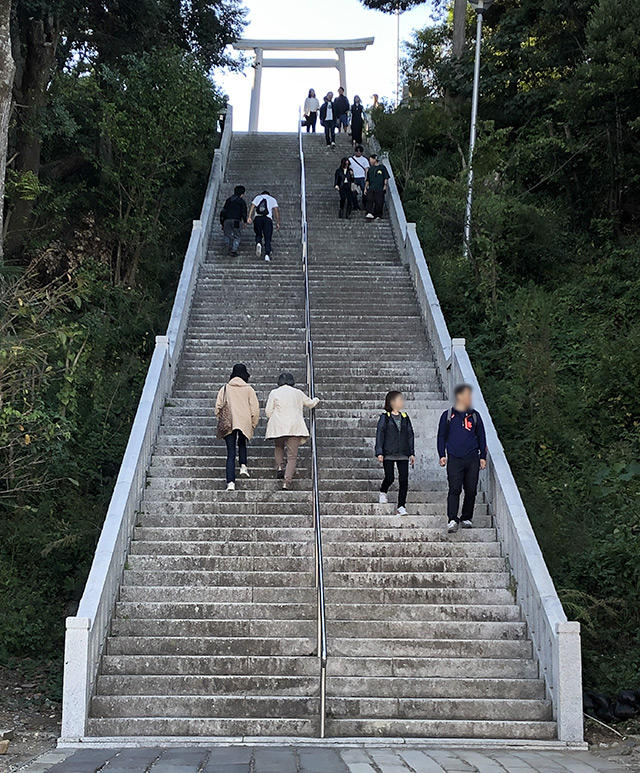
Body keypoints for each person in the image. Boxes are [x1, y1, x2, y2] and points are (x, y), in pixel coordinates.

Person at [437, 383, 487, 534]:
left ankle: (466, 517)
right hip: (454, 458)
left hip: (472, 458)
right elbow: (441, 436)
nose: (469, 398)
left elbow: (482, 437)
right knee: (454, 488)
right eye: (467, 395)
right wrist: (442, 454)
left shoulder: (475, 416)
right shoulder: (448, 415)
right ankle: (452, 518)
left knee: (471, 489)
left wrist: (482, 457)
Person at [265, 372, 320, 490]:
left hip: (278, 425)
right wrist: (316, 399)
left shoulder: (274, 392)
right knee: (292, 456)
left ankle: (279, 467)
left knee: (278, 447)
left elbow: (268, 412)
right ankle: (286, 481)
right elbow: (310, 403)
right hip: (294, 427)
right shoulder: (298, 393)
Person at [215, 363, 260, 491]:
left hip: (229, 422)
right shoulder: (249, 389)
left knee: (230, 453)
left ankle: (230, 483)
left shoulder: (225, 388)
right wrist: (253, 423)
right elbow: (255, 409)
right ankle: (243, 466)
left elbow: (218, 406)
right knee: (242, 442)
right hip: (244, 421)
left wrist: (221, 419)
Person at [375, 391, 415, 516]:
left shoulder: (404, 416)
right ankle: (383, 491)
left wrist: (411, 453)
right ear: (392, 402)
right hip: (389, 452)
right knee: (390, 477)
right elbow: (380, 434)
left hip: (403, 453)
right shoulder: (385, 417)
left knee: (404, 480)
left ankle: (401, 506)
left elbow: (410, 435)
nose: (401, 402)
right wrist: (379, 452)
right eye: (399, 399)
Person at [247, 190, 280, 262]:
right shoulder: (272, 199)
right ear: (268, 194)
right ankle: (267, 254)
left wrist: (249, 217)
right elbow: (276, 211)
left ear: (262, 194)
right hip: (267, 219)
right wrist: (277, 222)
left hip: (258, 218)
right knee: (267, 237)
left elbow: (252, 207)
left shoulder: (258, 197)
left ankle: (258, 242)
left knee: (258, 233)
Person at [219, 185, 247, 257]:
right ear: (242, 194)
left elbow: (223, 211)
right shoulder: (241, 201)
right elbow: (244, 212)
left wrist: (222, 222)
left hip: (227, 220)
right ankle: (233, 250)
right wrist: (245, 221)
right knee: (237, 235)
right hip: (236, 221)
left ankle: (227, 246)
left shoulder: (228, 200)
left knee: (227, 234)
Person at [364, 154, 390, 220]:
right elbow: (368, 180)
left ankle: (378, 215)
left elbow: (385, 177)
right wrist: (365, 188)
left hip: (379, 188)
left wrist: (385, 185)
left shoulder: (382, 167)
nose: (370, 161)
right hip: (371, 187)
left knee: (379, 201)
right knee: (369, 199)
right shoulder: (370, 169)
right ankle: (369, 212)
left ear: (375, 159)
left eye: (371, 160)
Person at [349, 145, 370, 210]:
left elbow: (367, 169)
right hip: (354, 178)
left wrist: (366, 178)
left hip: (362, 178)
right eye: (357, 151)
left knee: (365, 191)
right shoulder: (350, 159)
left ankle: (365, 205)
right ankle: (355, 206)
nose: (358, 152)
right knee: (353, 192)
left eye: (360, 151)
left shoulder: (364, 159)